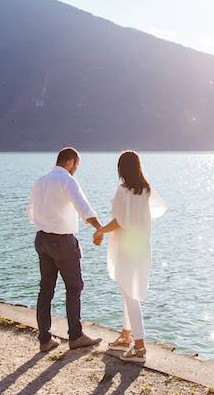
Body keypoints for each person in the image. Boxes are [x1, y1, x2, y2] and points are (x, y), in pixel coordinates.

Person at [27, 147, 104, 352]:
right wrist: (99, 228)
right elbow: (83, 208)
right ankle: (76, 336)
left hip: (41, 239)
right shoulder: (66, 180)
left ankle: (45, 340)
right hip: (62, 241)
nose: (76, 169)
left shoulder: (40, 181)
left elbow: (31, 211)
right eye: (77, 164)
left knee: (46, 290)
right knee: (74, 286)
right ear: (70, 161)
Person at [93, 150, 166, 363]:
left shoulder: (123, 191)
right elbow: (156, 210)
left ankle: (140, 346)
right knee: (128, 291)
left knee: (130, 294)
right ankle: (126, 335)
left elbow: (119, 222)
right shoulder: (146, 190)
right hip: (141, 246)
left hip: (126, 247)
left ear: (121, 169)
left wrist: (99, 231)